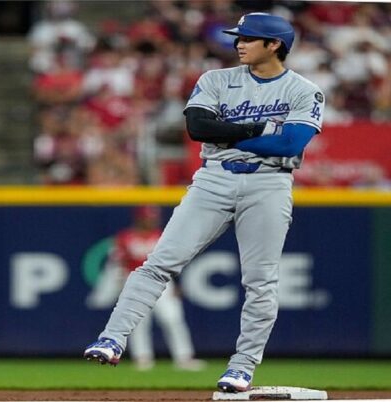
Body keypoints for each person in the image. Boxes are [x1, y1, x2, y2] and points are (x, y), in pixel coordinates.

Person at [84, 12, 324, 393]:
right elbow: (199, 129)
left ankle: (242, 367)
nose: (238, 43)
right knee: (158, 263)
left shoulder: (302, 89)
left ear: (274, 44)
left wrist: (228, 135)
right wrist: (259, 129)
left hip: (269, 184)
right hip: (213, 179)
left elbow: (290, 144)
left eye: (248, 38)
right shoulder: (216, 79)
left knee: (261, 282)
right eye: (238, 38)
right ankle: (112, 339)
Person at [106, 206, 205, 371]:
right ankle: (142, 358)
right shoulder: (125, 237)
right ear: (139, 218)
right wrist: (121, 283)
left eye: (153, 217)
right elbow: (117, 262)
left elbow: (174, 261)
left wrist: (177, 283)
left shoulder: (163, 236)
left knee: (172, 318)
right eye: (148, 217)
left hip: (162, 282)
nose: (151, 220)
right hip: (135, 282)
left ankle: (184, 357)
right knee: (138, 323)